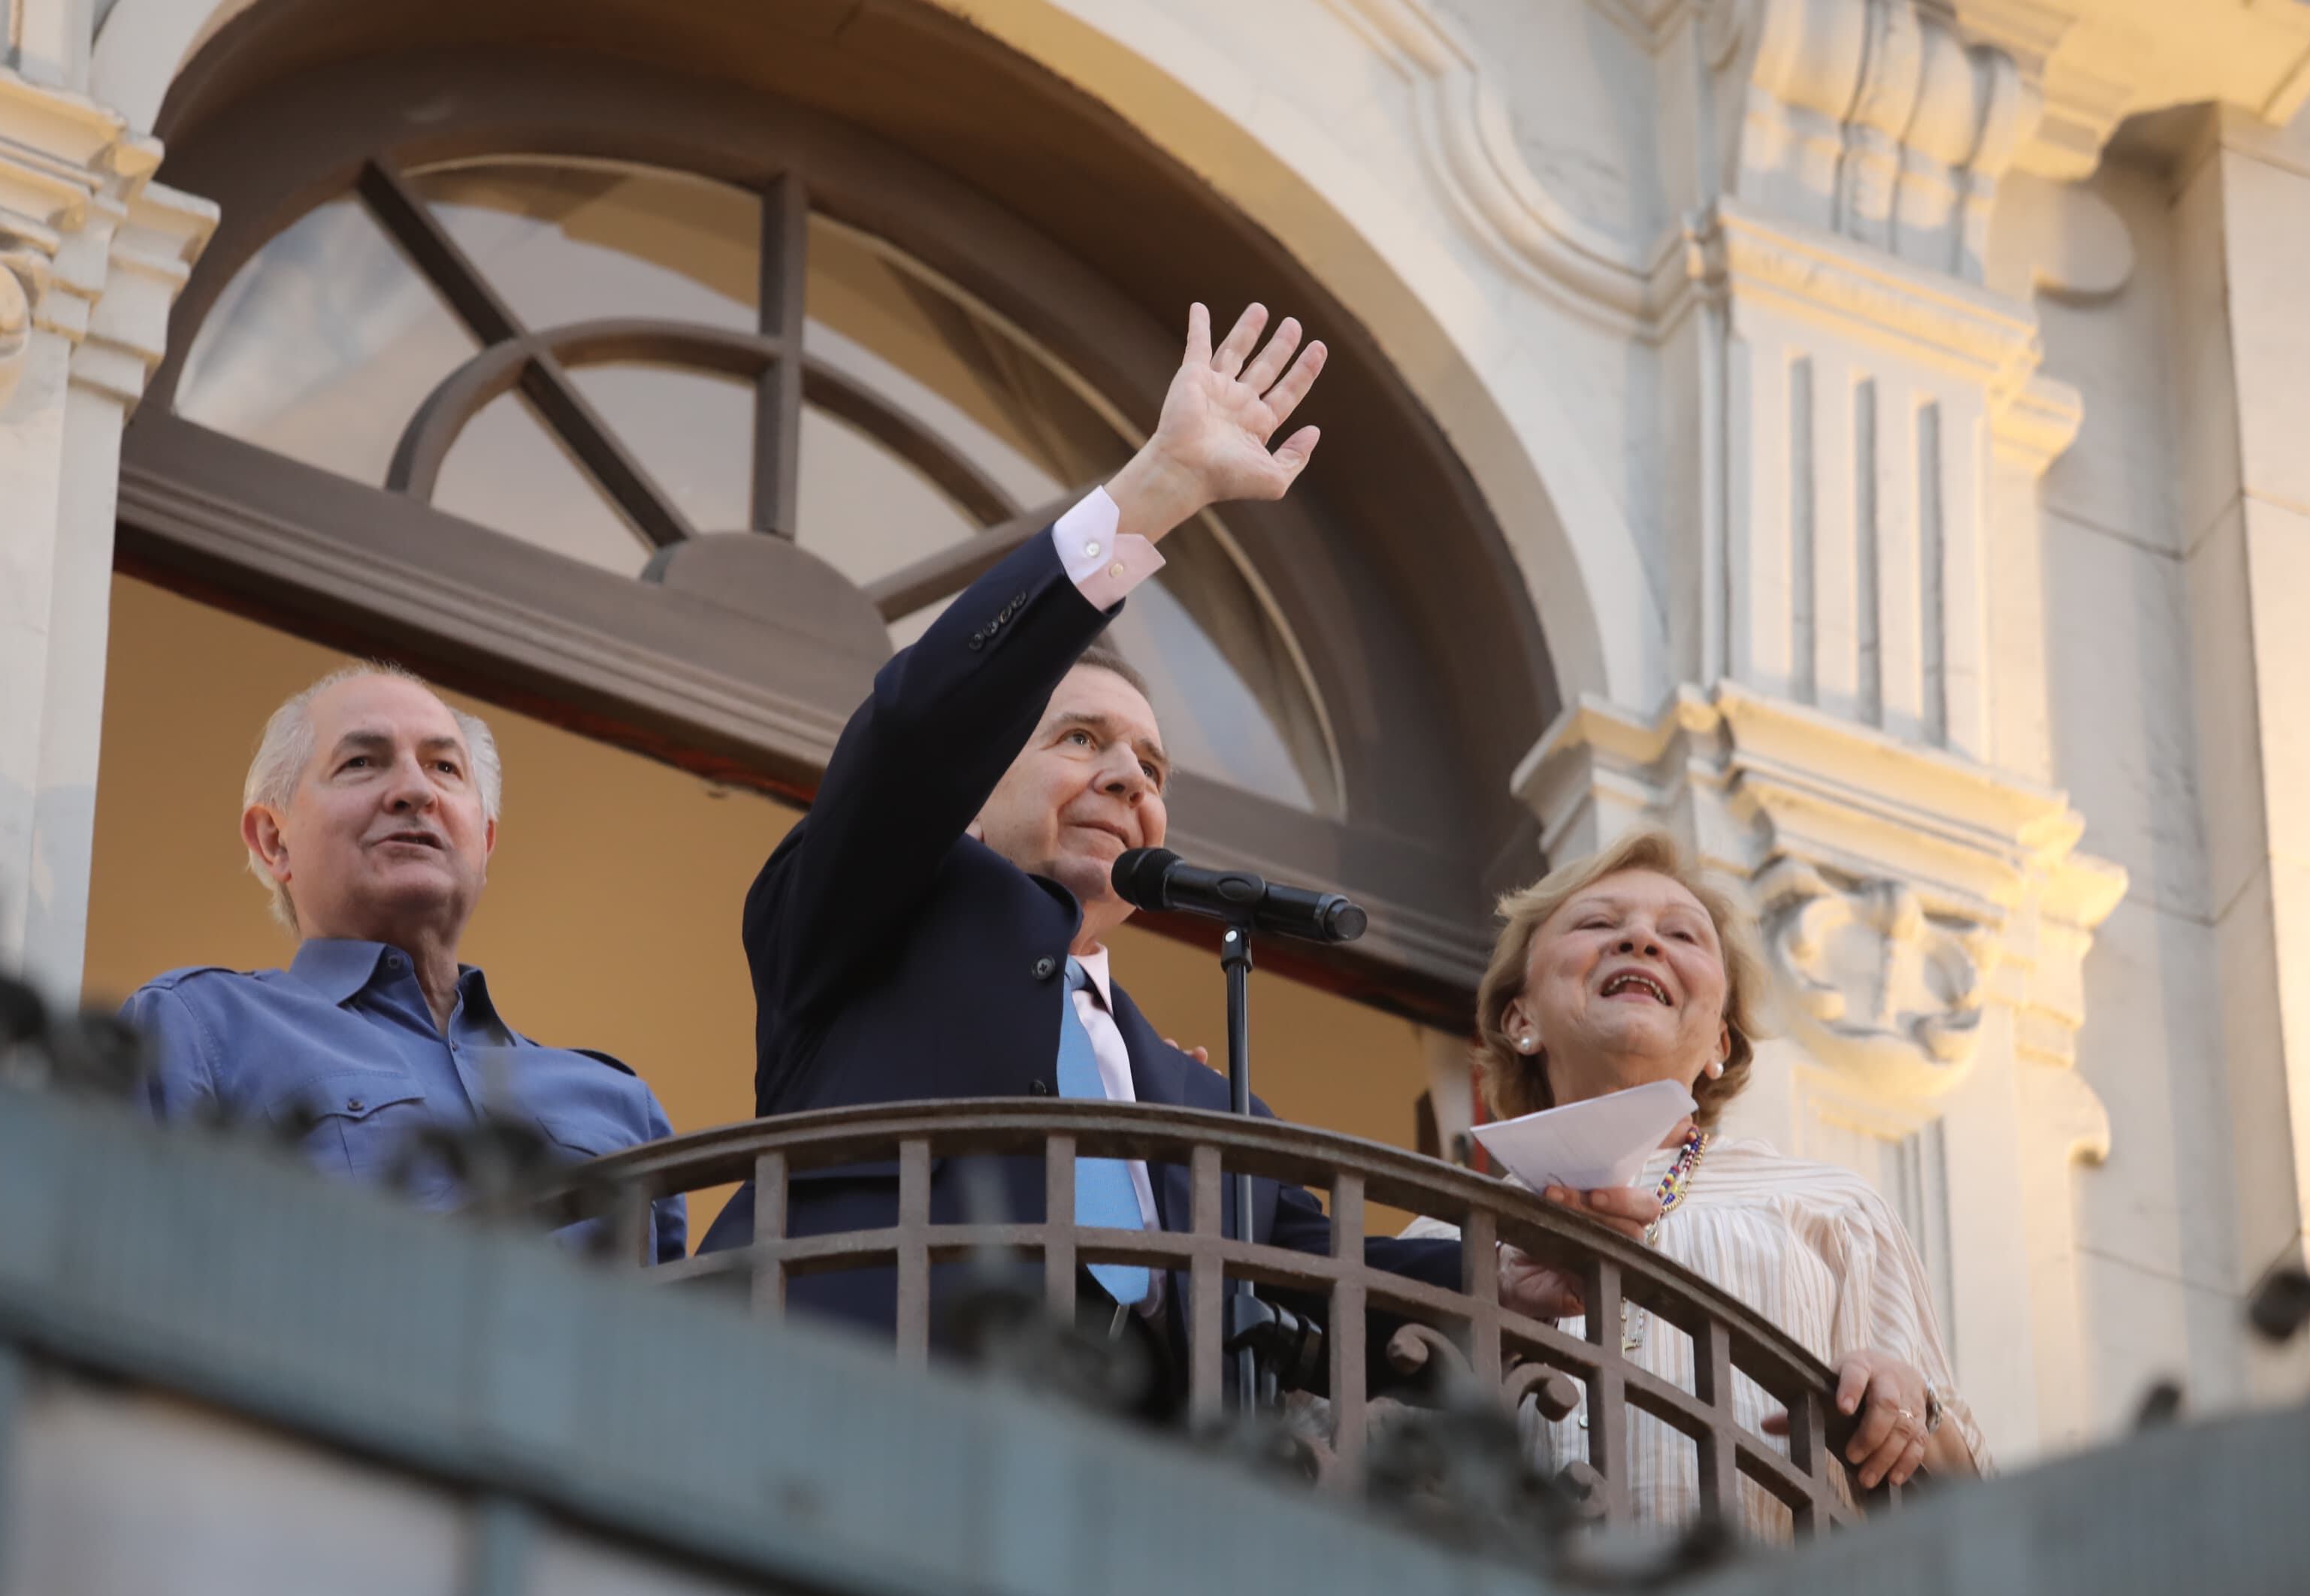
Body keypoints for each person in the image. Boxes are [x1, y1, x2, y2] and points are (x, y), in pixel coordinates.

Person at [703, 301, 1646, 1400]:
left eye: (1152, 769)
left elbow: (1334, 1273)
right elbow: (918, 730)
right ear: (973, 789)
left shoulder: (1204, 1104)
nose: (1126, 780)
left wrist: (1512, 1280)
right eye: (1079, 740)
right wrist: (1160, 490)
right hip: (847, 1417)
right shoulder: (867, 910)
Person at [1404, 827, 1986, 1534]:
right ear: (1521, 1018)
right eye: (1598, 924)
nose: (1642, 942)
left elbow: (1969, 1509)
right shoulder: (1442, 1233)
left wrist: (1909, 1410)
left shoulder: (1831, 1209)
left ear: (1720, 1042)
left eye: (1680, 935)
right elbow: (1339, 1448)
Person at [121, 662, 687, 1260]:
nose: (416, 792)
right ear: (273, 840)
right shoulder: (202, 1028)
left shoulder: (620, 1101)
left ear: (485, 842)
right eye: (361, 762)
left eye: (445, 768)